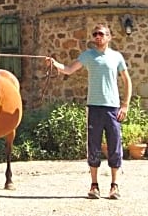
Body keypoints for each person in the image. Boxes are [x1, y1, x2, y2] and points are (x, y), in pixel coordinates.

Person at [47, 24, 132, 200]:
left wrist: (125, 105)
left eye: (101, 34)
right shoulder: (88, 56)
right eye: (95, 34)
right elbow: (70, 70)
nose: (97, 37)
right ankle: (94, 186)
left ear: (109, 37)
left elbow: (127, 81)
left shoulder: (117, 57)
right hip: (94, 108)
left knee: (115, 147)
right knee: (93, 147)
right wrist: (55, 64)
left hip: (113, 108)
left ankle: (114, 186)